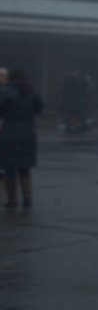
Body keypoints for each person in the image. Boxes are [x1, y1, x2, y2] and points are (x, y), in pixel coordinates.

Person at [0, 68, 44, 209]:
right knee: (24, 168)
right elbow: (39, 108)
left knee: (9, 168)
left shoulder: (5, 92)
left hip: (9, 133)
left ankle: (12, 200)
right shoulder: (31, 91)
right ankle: (27, 198)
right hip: (28, 133)